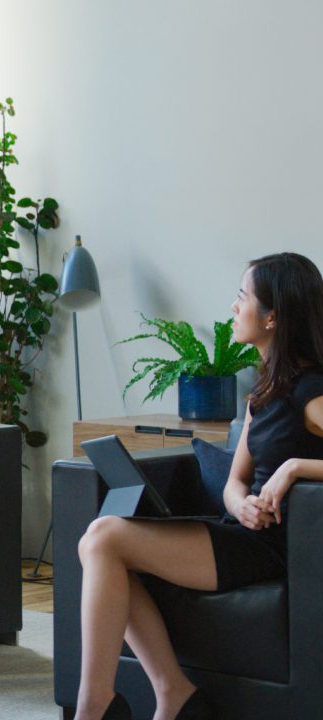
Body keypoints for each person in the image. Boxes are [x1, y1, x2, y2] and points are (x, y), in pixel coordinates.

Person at [74, 252, 323, 720]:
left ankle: (97, 708)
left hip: (275, 547)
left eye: (242, 297)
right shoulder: (264, 391)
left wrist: (294, 468)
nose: (234, 307)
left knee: (104, 537)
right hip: (243, 529)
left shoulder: (311, 391)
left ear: (272, 316)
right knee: (98, 543)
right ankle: (171, 695)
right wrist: (241, 502)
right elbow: (236, 480)